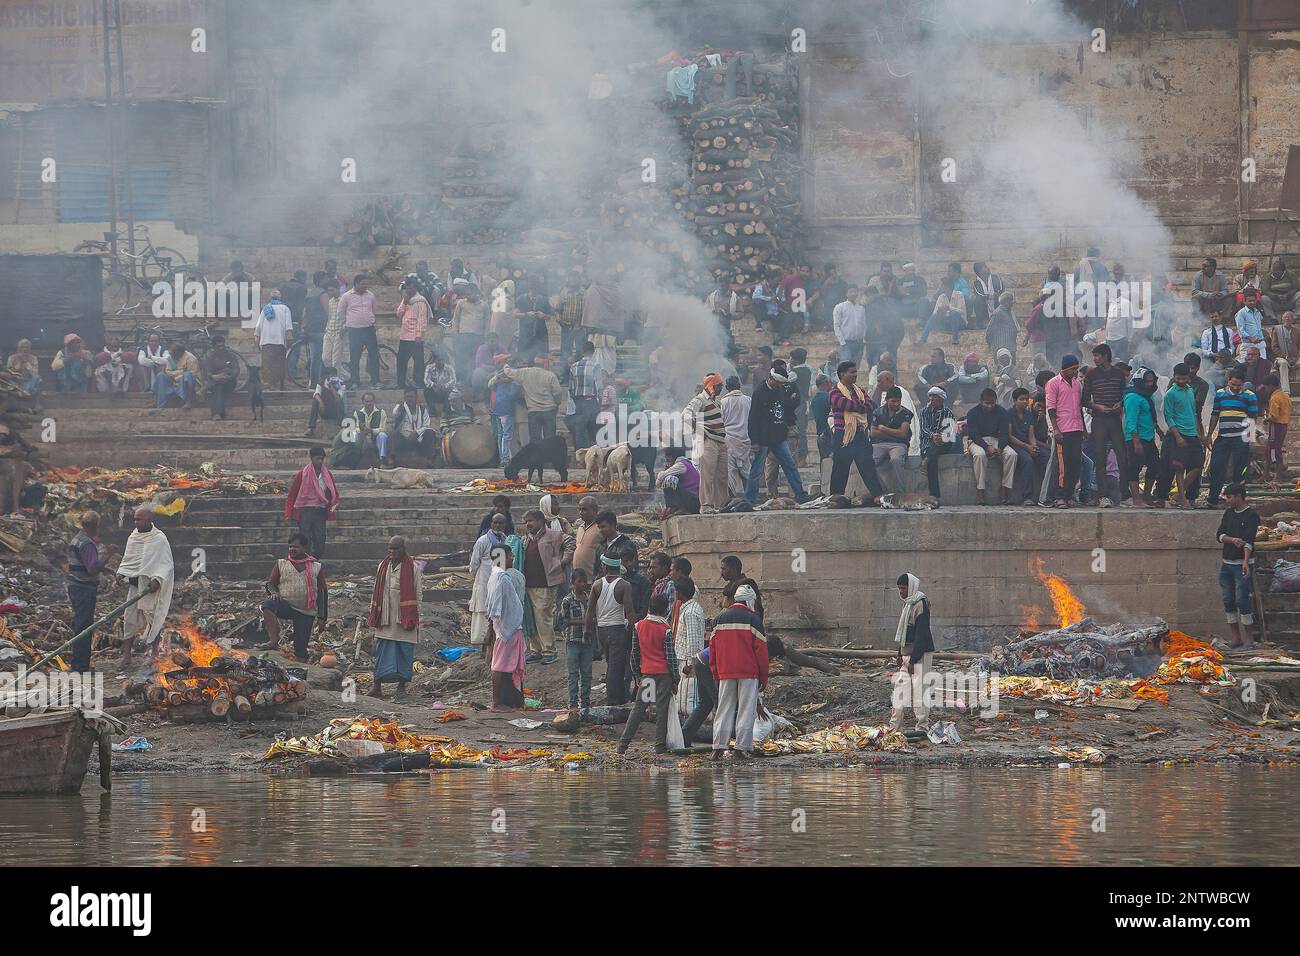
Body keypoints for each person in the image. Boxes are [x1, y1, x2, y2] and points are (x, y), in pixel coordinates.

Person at [709, 583, 768, 759]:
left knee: (724, 708)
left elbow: (712, 650)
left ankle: (718, 747)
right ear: (750, 601)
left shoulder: (719, 619)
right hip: (748, 673)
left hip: (725, 671)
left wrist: (715, 672)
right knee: (745, 709)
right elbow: (762, 653)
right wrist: (763, 678)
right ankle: (741, 748)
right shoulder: (754, 620)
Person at [617, 593, 679, 755]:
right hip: (664, 676)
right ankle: (659, 746)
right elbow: (670, 658)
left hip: (647, 675)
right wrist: (676, 679)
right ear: (666, 610)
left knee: (638, 710)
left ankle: (623, 745)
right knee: (662, 711)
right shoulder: (665, 630)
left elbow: (635, 655)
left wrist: (637, 674)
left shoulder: (639, 626)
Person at [115, 507, 174, 672]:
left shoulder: (159, 539)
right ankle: (126, 656)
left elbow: (165, 564)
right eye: (134, 519)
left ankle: (155, 654)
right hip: (135, 587)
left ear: (149, 520)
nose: (136, 522)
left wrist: (157, 579)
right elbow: (129, 560)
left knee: (152, 619)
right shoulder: (133, 537)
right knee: (129, 620)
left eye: (139, 519)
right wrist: (121, 574)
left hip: (149, 589)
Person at [746, 361, 807, 503]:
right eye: (778, 382)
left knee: (790, 465)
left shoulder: (779, 390)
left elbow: (784, 409)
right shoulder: (759, 393)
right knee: (757, 470)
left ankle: (800, 494)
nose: (780, 385)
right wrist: (754, 441)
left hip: (779, 437)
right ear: (771, 378)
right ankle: (750, 498)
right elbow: (753, 418)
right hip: (763, 439)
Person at [261, 533, 328, 661]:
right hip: (286, 605)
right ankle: (274, 640)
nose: (292, 549)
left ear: (304, 548)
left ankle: (298, 674)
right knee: (268, 604)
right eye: (290, 546)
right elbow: (270, 584)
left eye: (296, 547)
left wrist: (322, 617)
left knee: (301, 651)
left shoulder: (316, 566)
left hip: (306, 611)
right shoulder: (281, 563)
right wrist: (274, 593)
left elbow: (322, 592)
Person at [521, 508, 575, 665]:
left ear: (540, 521)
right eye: (526, 522)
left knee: (543, 617)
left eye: (530, 521)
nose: (527, 524)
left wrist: (563, 561)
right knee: (530, 617)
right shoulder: (527, 538)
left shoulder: (553, 535)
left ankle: (549, 651)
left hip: (545, 583)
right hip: (529, 583)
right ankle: (536, 650)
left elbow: (571, 542)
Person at [826, 360, 885, 502]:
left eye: (855, 372)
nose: (855, 375)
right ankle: (836, 497)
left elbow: (871, 405)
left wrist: (858, 405)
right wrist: (860, 405)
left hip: (860, 435)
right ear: (842, 374)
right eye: (852, 372)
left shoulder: (859, 390)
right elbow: (845, 404)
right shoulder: (835, 391)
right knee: (840, 467)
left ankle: (878, 496)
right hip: (843, 435)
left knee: (867, 465)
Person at [369, 536, 420, 698]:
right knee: (382, 651)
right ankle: (377, 686)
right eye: (390, 548)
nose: (392, 552)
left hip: (405, 618)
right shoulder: (382, 566)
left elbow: (418, 593)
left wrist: (413, 615)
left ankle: (401, 687)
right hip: (385, 617)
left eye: (396, 548)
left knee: (404, 651)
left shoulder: (413, 568)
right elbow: (376, 591)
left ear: (404, 549)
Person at [65, 510, 114, 672]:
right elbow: (92, 569)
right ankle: (80, 665)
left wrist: (105, 569)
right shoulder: (86, 543)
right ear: (94, 526)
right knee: (84, 627)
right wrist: (108, 555)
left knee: (80, 624)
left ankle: (80, 663)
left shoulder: (77, 539)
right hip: (84, 588)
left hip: (75, 586)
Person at [586, 552, 636, 706]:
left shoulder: (597, 584)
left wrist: (587, 630)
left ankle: (617, 698)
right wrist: (634, 632)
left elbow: (590, 611)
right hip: (617, 629)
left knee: (611, 664)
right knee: (616, 666)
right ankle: (614, 701)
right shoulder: (624, 585)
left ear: (605, 566)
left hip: (601, 630)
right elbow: (630, 612)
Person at [1082, 344, 1127, 507]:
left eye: (1097, 356)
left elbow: (1125, 394)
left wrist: (1120, 404)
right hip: (1099, 420)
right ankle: (1103, 496)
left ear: (1106, 356)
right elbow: (1085, 400)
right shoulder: (1091, 375)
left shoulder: (1119, 374)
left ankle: (1124, 494)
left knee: (1122, 456)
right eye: (1094, 356)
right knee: (1099, 457)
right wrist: (1097, 407)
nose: (1094, 359)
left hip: (1115, 419)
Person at [1206, 366, 1258, 507]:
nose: (1235, 388)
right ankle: (1213, 498)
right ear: (1228, 381)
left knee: (1239, 469)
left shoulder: (1249, 395)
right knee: (1217, 467)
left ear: (1243, 383)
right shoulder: (1220, 394)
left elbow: (1252, 418)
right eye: (1233, 384)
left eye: (1238, 385)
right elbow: (1215, 414)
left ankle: (1237, 499)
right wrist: (1209, 434)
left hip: (1241, 438)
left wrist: (1251, 439)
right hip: (1223, 437)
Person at [1154, 363, 1204, 509]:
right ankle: (1183, 499)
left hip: (1192, 434)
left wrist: (1198, 432)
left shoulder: (1189, 390)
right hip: (1179, 434)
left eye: (1184, 378)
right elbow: (1168, 417)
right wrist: (1178, 437)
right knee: (1179, 469)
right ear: (1174, 376)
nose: (1181, 381)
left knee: (1197, 465)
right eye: (1178, 378)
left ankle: (1178, 493)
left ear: (1189, 377)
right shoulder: (1170, 394)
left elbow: (1193, 413)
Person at [1215, 482, 1259, 648]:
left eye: (1230, 497)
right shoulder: (1228, 513)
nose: (1227, 500)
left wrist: (1246, 562)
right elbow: (1219, 535)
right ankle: (1235, 637)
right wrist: (1231, 540)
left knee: (1242, 600)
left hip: (1241, 564)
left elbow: (1249, 541)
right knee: (1228, 599)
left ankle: (1249, 637)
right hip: (1227, 563)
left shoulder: (1251, 516)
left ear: (1239, 497)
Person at [889, 573, 935, 731]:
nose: (901, 591)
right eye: (899, 588)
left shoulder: (921, 603)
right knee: (899, 690)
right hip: (908, 655)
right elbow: (903, 632)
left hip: (920, 655)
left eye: (904, 588)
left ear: (912, 587)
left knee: (919, 693)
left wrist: (914, 660)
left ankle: (922, 727)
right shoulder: (907, 604)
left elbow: (921, 635)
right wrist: (900, 654)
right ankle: (894, 727)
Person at [284, 446, 339, 557]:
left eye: (322, 459)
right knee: (305, 541)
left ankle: (315, 563)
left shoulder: (327, 475)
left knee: (320, 541)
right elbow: (292, 495)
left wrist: (335, 504)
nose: (320, 462)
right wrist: (288, 514)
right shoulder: (302, 474)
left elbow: (334, 493)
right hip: (305, 512)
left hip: (321, 511)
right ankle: (306, 565)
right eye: (317, 459)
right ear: (311, 458)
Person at [1046, 355, 1086, 508]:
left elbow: (1079, 407)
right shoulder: (1053, 383)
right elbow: (1051, 408)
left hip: (1076, 428)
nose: (1075, 372)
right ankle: (1060, 496)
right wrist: (1055, 429)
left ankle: (1069, 494)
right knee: (1062, 465)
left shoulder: (1077, 384)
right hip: (1062, 430)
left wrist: (1084, 429)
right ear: (1065, 369)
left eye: (1076, 369)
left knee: (1075, 463)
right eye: (1073, 369)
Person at [965, 387, 1016, 504]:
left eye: (992, 403)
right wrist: (987, 447)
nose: (990, 406)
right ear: (981, 401)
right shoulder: (972, 413)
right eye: (987, 403)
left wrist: (1000, 448)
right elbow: (974, 434)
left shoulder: (1002, 412)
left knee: (1012, 454)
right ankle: (980, 490)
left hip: (996, 440)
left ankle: (1005, 488)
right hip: (977, 441)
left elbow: (1004, 433)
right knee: (979, 455)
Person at [469, 513, 510, 658]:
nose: (498, 526)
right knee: (482, 614)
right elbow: (474, 564)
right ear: (491, 524)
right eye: (495, 523)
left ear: (505, 525)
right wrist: (477, 580)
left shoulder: (506, 540)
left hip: (499, 584)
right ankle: (481, 650)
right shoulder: (482, 541)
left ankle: (495, 649)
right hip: (484, 583)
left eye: (501, 523)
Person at [1123, 366, 1160, 507]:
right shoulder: (1132, 397)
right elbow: (1131, 421)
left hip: (1148, 437)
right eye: (1147, 381)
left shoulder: (1146, 395)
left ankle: (1146, 496)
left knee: (1155, 465)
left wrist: (1158, 430)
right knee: (1135, 467)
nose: (1150, 384)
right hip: (1136, 438)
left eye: (1151, 381)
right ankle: (1136, 500)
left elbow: (1150, 416)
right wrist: (1136, 442)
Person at [559, 568, 595, 713]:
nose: (582, 584)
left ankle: (585, 702)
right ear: (573, 583)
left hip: (587, 642)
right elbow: (564, 621)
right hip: (573, 640)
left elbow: (594, 618)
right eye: (579, 582)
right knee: (573, 674)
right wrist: (584, 622)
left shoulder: (589, 599)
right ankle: (573, 703)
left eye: (584, 582)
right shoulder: (567, 600)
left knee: (587, 674)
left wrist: (588, 622)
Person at [1008, 388, 1049, 506]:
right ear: (1015, 400)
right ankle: (1027, 496)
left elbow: (1031, 434)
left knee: (1049, 458)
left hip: (1028, 444)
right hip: (1016, 445)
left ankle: (1048, 494)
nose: (1025, 402)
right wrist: (1027, 447)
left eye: (1026, 399)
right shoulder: (1009, 413)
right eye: (1022, 399)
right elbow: (1010, 436)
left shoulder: (1028, 414)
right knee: (1027, 460)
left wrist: (1034, 447)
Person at [338, 274, 381, 387]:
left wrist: (372, 321)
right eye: (363, 284)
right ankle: (355, 381)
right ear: (356, 284)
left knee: (374, 355)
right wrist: (347, 323)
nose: (365, 286)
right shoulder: (346, 296)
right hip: (354, 330)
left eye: (366, 284)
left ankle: (375, 381)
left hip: (369, 329)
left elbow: (373, 310)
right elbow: (341, 312)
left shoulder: (371, 295)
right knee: (355, 356)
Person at [869, 385, 912, 494]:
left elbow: (903, 434)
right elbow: (873, 433)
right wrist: (895, 432)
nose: (896, 404)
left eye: (898, 401)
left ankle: (901, 492)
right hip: (879, 445)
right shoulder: (878, 412)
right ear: (887, 400)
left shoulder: (906, 413)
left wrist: (884, 429)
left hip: (899, 445)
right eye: (893, 401)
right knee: (869, 462)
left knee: (896, 460)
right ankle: (881, 491)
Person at [920, 386, 958, 502]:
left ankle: (934, 495)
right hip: (928, 442)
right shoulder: (924, 411)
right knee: (932, 458)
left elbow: (950, 431)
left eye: (934, 396)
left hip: (943, 443)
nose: (931, 399)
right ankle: (935, 495)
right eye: (930, 396)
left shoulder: (948, 412)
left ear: (941, 398)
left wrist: (941, 437)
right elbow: (923, 429)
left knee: (933, 452)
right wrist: (933, 436)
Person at [509, 361, 565, 441]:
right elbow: (558, 392)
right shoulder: (550, 375)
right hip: (549, 410)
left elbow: (509, 372)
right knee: (550, 438)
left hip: (533, 411)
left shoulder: (525, 373)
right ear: (545, 363)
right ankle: (548, 453)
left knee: (535, 439)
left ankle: (537, 453)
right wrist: (557, 403)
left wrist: (506, 366)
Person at [568, 340, 605, 450]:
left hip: (579, 401)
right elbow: (599, 387)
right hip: (591, 401)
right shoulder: (596, 366)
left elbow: (571, 388)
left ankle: (580, 457)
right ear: (593, 352)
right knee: (594, 428)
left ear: (582, 351)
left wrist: (575, 402)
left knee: (580, 429)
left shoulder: (573, 366)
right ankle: (595, 453)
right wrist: (600, 403)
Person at [388, 388, 439, 465]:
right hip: (404, 439)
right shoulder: (401, 408)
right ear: (404, 398)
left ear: (416, 397)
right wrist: (399, 407)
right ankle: (392, 460)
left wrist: (416, 432)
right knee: (394, 433)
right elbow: (395, 414)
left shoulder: (422, 410)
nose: (409, 399)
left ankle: (430, 460)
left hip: (419, 438)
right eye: (407, 397)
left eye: (411, 396)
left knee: (430, 432)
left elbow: (426, 425)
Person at [395, 276, 430, 389]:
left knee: (418, 363)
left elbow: (422, 320)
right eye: (407, 288)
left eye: (411, 288)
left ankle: (418, 383)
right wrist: (404, 303)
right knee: (401, 361)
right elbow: (399, 315)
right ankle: (400, 384)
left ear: (416, 288)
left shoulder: (420, 301)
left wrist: (419, 336)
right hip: (404, 336)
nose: (408, 290)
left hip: (416, 337)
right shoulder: (405, 299)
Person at [720, 375, 753, 495]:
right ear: (739, 386)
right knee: (747, 470)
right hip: (745, 439)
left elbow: (721, 422)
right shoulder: (748, 400)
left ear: (727, 388)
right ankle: (749, 497)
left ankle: (732, 498)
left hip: (729, 441)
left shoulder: (723, 402)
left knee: (730, 472)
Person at [255, 291, 294, 390]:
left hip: (266, 341)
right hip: (279, 340)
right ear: (280, 298)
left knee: (267, 364)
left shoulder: (265, 309)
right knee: (280, 363)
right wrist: (289, 338)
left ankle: (270, 384)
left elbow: (258, 327)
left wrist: (257, 339)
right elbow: (288, 327)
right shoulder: (285, 309)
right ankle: (281, 384)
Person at [488, 360, 523, 464]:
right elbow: (512, 396)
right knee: (506, 435)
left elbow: (490, 385)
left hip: (497, 409)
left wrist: (498, 378)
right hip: (506, 410)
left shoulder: (499, 383)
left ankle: (502, 458)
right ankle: (504, 459)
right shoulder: (514, 384)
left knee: (501, 435)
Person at [202, 333, 240, 420]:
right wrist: (214, 376)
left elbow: (236, 369)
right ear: (213, 346)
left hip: (230, 383)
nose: (221, 348)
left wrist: (228, 376)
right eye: (219, 346)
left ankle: (204, 388)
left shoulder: (230, 355)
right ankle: (218, 414)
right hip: (215, 382)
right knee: (218, 387)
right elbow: (207, 371)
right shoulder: (210, 356)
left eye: (222, 345)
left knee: (227, 371)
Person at [152, 342, 199, 410]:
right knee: (161, 375)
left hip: (188, 383)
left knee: (187, 375)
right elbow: (168, 372)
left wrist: (179, 376)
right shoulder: (171, 358)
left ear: (179, 353)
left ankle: (188, 402)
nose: (171, 354)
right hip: (173, 381)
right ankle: (159, 403)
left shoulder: (191, 358)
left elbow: (192, 375)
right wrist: (181, 372)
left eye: (173, 353)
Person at [656, 446, 701, 516]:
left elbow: (662, 475)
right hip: (695, 502)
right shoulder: (689, 463)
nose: (668, 463)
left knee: (669, 479)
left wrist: (659, 481)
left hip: (693, 503)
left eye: (668, 460)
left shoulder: (681, 465)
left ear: (673, 457)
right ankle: (674, 508)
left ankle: (679, 508)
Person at [1263, 372, 1290, 487]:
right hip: (1284, 425)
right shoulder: (1285, 396)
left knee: (1275, 451)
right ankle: (1266, 474)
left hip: (1276, 426)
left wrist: (1266, 419)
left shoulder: (1274, 397)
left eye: (1266, 387)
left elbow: (1274, 416)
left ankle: (1278, 477)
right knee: (1269, 449)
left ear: (1270, 386)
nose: (1265, 390)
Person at [832, 286, 866, 367]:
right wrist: (842, 342)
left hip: (859, 343)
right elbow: (837, 325)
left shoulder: (861, 308)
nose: (853, 294)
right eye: (850, 292)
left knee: (855, 368)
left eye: (855, 292)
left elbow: (864, 324)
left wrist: (863, 339)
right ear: (846, 294)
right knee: (845, 368)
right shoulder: (840, 307)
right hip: (846, 343)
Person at [305, 370, 345, 438]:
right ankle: (311, 428)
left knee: (340, 401)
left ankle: (340, 427)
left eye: (334, 376)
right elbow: (316, 394)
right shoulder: (321, 383)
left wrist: (332, 387)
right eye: (330, 376)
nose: (332, 378)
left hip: (335, 411)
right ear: (327, 376)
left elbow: (338, 398)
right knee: (315, 401)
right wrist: (321, 403)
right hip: (324, 410)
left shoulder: (341, 384)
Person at [422, 350, 459, 419]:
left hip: (445, 392)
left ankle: (448, 412)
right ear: (435, 360)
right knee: (426, 390)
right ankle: (432, 413)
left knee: (452, 390)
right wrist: (434, 385)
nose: (440, 362)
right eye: (438, 360)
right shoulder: (429, 367)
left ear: (444, 360)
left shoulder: (449, 368)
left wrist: (444, 385)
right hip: (434, 393)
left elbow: (453, 380)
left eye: (442, 360)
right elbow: (426, 380)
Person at [571, 496, 602, 578]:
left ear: (595, 510)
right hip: (578, 579)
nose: (580, 512)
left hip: (593, 577)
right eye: (580, 509)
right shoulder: (580, 528)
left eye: (584, 509)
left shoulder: (600, 528)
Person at [985, 291, 1019, 366]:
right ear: (1005, 301)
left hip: (1010, 345)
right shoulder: (998, 313)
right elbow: (989, 330)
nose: (1012, 302)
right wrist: (989, 343)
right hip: (1001, 346)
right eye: (1010, 300)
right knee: (1001, 369)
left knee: (1012, 369)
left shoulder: (1009, 311)